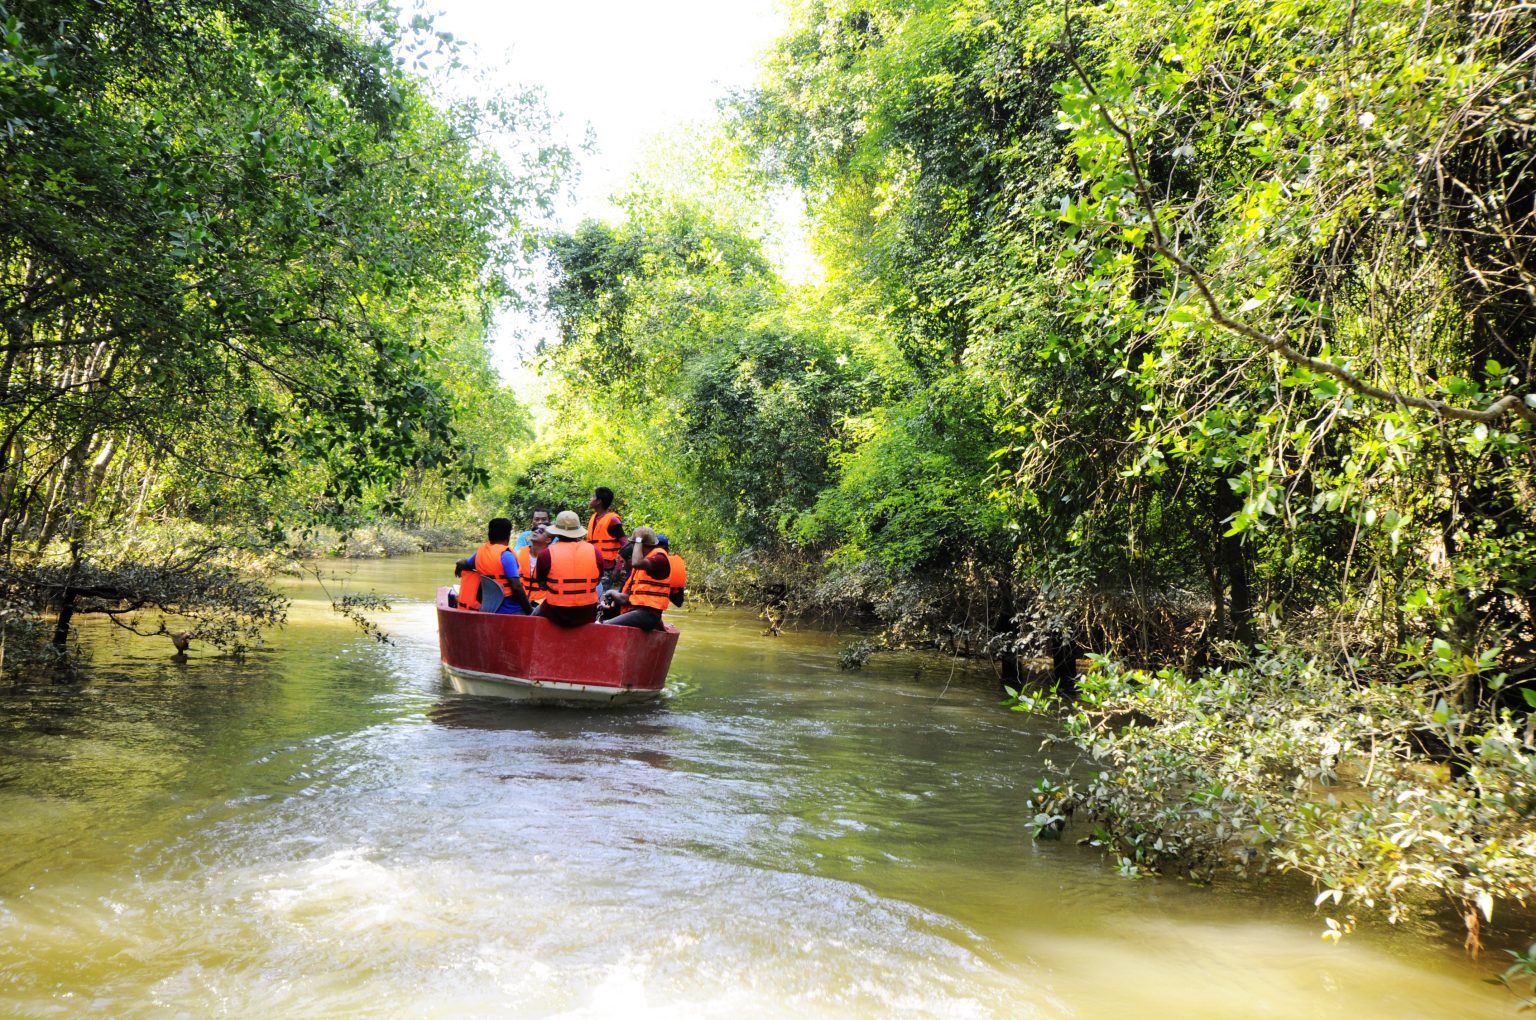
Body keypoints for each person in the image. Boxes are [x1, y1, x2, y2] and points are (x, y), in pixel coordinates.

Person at [530, 510, 603, 627]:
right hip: (587, 613)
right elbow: (597, 581)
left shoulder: (546, 554)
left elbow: (542, 585)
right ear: (577, 531)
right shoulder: (595, 551)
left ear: (557, 532)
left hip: (555, 612)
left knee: (531, 619)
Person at [454, 517, 532, 614]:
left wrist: (459, 562)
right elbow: (516, 588)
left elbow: (466, 564)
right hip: (510, 609)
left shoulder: (481, 552)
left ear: (489, 535)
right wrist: (530, 611)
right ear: (508, 536)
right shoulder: (506, 556)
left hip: (488, 606)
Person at [602, 526, 671, 631]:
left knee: (605, 627)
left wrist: (638, 539)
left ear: (640, 544)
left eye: (634, 544)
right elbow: (626, 598)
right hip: (637, 612)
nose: (633, 547)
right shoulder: (641, 566)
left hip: (647, 615)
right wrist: (611, 593)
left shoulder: (659, 559)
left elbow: (636, 562)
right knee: (601, 619)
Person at [514, 525, 551, 606]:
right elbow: (517, 579)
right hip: (522, 598)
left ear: (548, 540)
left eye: (541, 531)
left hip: (543, 601)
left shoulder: (552, 556)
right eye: (535, 529)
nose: (536, 531)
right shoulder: (521, 553)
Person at [586, 486, 625, 562]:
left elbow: (625, 544)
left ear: (598, 501)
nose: (590, 499)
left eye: (593, 496)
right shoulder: (594, 517)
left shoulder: (613, 520)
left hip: (609, 566)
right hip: (593, 563)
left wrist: (618, 568)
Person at [657, 533, 687, 608]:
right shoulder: (675, 563)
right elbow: (678, 602)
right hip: (657, 608)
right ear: (668, 550)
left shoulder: (650, 562)